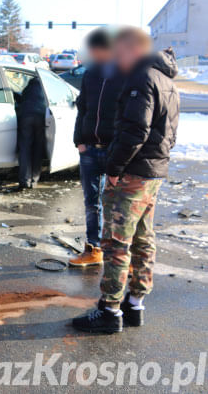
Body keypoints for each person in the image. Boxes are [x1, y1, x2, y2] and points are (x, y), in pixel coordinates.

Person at [72, 28, 179, 334]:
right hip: (154, 172)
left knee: (117, 242)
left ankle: (110, 310)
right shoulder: (167, 79)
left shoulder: (141, 78)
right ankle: (135, 304)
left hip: (133, 174)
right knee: (144, 237)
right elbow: (170, 133)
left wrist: (115, 167)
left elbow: (134, 130)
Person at [70, 29, 125, 267]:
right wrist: (79, 141)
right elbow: (82, 108)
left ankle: (120, 255)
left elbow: (130, 115)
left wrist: (121, 150)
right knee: (92, 203)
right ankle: (93, 250)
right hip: (90, 149)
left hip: (114, 150)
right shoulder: (90, 75)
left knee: (117, 205)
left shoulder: (125, 75)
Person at [17, 75, 47, 189]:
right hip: (40, 118)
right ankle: (34, 180)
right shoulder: (45, 89)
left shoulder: (27, 89)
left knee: (25, 149)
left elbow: (20, 100)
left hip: (26, 117)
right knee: (38, 149)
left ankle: (25, 180)